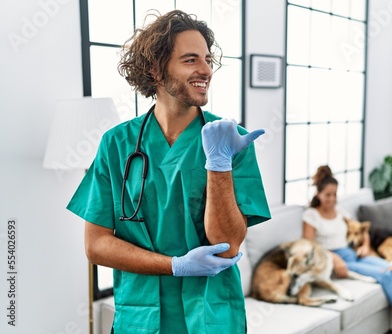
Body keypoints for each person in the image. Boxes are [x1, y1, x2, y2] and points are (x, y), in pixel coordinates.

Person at [67, 10, 270, 334]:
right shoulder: (117, 144)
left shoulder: (231, 141)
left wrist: (219, 164)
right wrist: (175, 266)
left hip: (211, 316)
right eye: (191, 60)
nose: (206, 69)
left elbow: (228, 245)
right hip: (140, 318)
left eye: (207, 59)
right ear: (155, 68)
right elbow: (96, 246)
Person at [302, 165, 392, 334]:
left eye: (335, 194)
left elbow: (362, 231)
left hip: (353, 254)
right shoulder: (311, 215)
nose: (332, 199)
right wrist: (333, 258)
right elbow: (310, 245)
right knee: (384, 274)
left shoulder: (340, 211)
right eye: (327, 195)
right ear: (318, 193)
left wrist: (365, 246)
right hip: (336, 261)